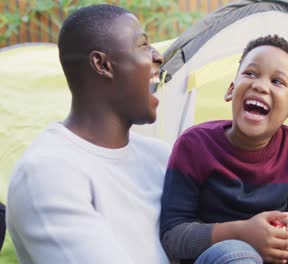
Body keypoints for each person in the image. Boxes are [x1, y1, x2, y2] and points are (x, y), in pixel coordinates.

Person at [160, 35, 288, 264]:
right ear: (231, 90)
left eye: (277, 81)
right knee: (236, 255)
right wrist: (242, 233)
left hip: (275, 257)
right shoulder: (194, 145)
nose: (260, 85)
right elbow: (172, 236)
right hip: (224, 256)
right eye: (251, 74)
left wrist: (286, 229)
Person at [6, 4, 170, 263]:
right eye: (142, 45)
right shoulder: (47, 173)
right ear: (102, 64)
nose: (158, 56)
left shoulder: (163, 158)